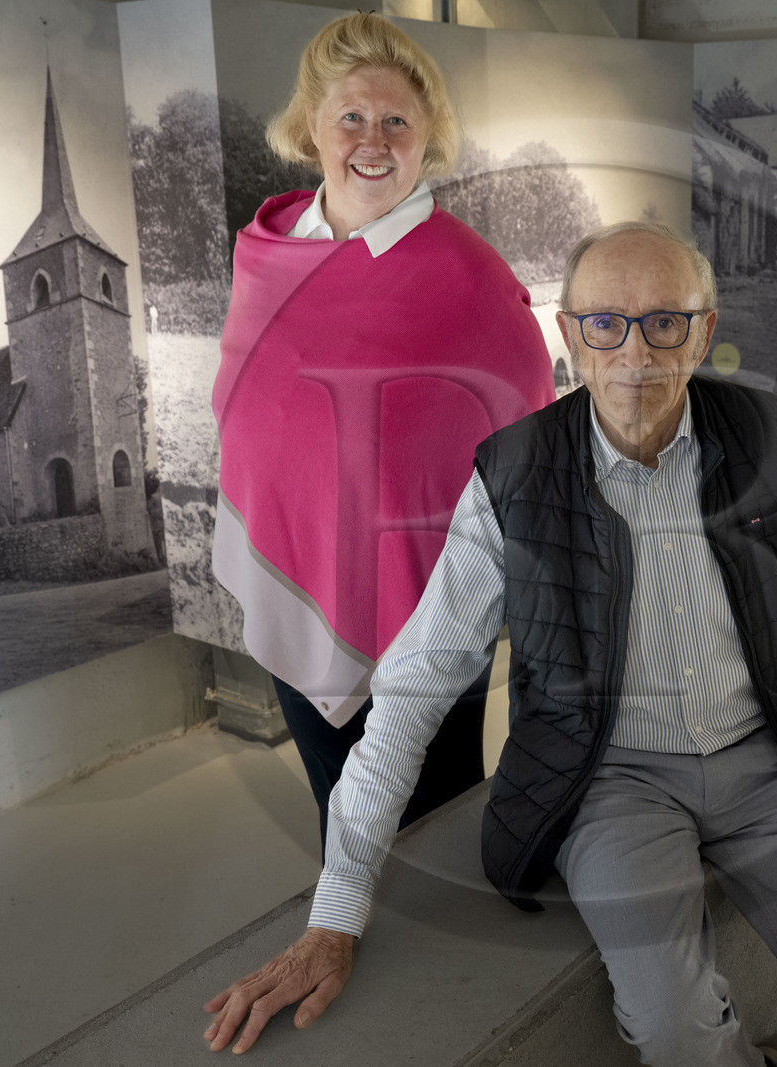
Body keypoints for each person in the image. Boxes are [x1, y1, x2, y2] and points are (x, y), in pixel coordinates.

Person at [202, 222, 777, 1066]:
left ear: (704, 334)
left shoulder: (770, 437)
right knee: (673, 1027)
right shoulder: (513, 474)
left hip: (762, 764)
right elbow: (414, 688)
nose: (635, 353)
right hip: (610, 780)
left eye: (665, 322)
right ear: (570, 335)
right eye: (605, 324)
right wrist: (335, 915)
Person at [210, 13, 554, 857]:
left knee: (434, 829)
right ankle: (350, 919)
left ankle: (442, 944)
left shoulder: (470, 279)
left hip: (427, 613)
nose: (374, 141)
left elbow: (534, 441)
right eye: (352, 118)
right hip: (293, 577)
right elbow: (247, 405)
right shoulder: (266, 248)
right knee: (339, 812)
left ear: (427, 135)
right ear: (313, 127)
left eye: (397, 119)